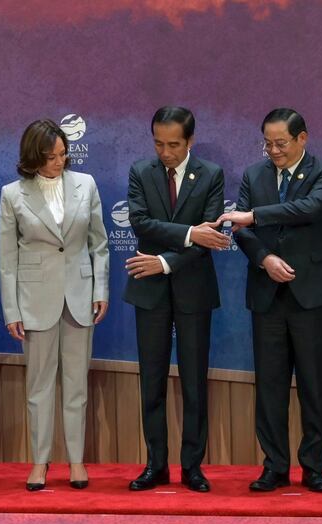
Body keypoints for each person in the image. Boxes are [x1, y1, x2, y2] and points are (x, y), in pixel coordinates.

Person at [219, 108, 322, 492]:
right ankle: (274, 466)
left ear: (302, 138)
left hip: (311, 294)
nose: (274, 151)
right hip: (267, 293)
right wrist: (264, 259)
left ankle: (313, 468)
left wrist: (254, 216)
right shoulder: (254, 174)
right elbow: (240, 230)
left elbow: (310, 209)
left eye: (281, 143)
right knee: (270, 386)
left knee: (313, 385)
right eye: (268, 143)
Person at [0, 119, 109, 490]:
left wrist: (100, 290)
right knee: (39, 387)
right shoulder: (12, 194)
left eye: (63, 154)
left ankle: (77, 462)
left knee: (76, 385)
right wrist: (12, 310)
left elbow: (99, 245)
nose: (59, 162)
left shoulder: (86, 185)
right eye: (50, 157)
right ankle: (40, 463)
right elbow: (6, 259)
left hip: (79, 297)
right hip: (34, 300)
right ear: (33, 157)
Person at [123, 106, 227, 492]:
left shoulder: (211, 175)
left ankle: (192, 467)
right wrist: (189, 234)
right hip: (148, 291)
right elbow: (140, 221)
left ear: (190, 141)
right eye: (158, 143)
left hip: (191, 288)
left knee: (194, 381)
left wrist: (166, 261)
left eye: (173, 145)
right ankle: (156, 464)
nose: (164, 152)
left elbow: (211, 236)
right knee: (151, 380)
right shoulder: (141, 172)